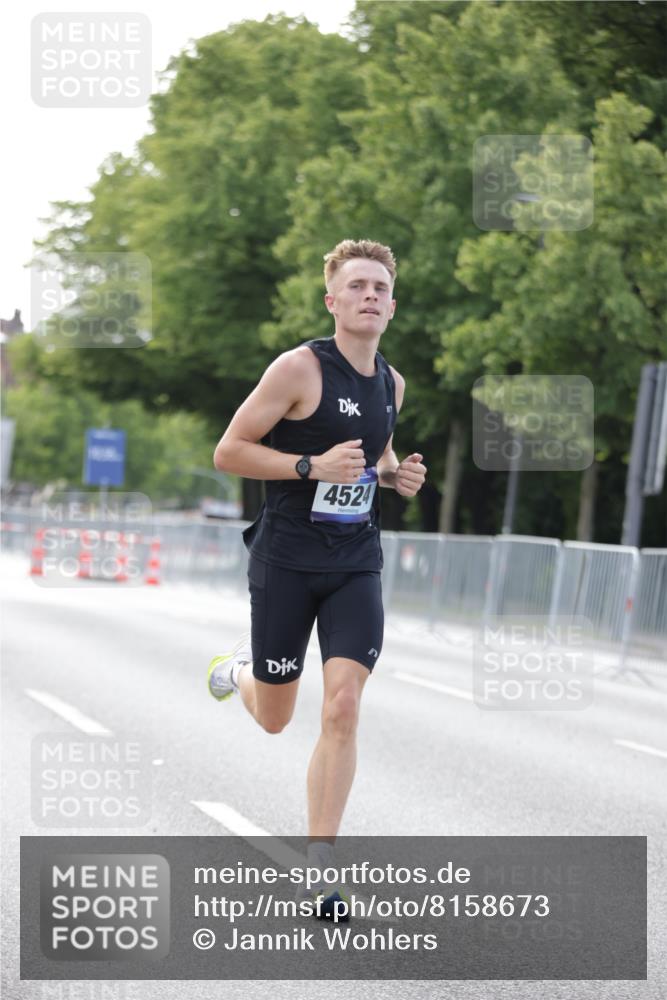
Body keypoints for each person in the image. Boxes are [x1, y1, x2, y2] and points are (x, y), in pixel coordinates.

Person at [208, 238, 426, 910]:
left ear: (391, 306)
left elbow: (375, 457)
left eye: (380, 287)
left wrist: (397, 476)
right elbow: (229, 452)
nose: (369, 295)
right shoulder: (297, 370)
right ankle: (238, 673)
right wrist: (306, 467)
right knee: (275, 716)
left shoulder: (391, 383)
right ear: (332, 300)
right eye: (357, 285)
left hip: (354, 560)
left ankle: (321, 866)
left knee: (342, 705)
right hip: (286, 560)